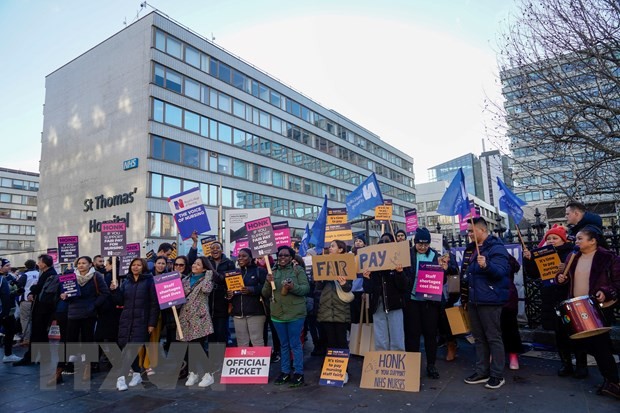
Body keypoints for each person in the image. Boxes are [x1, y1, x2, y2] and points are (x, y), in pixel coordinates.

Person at [556, 225, 620, 400]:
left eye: (579, 238)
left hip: (598, 308)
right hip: (578, 308)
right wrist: (561, 278)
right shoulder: (573, 256)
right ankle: (609, 379)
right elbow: (564, 279)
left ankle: (613, 382)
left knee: (600, 346)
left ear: (593, 241)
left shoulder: (608, 258)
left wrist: (605, 292)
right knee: (588, 345)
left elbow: (617, 283)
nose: (575, 241)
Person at [523, 224, 580, 377]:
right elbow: (534, 274)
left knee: (575, 333)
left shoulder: (572, 252)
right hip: (552, 298)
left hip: (568, 297)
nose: (551, 241)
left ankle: (581, 365)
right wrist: (529, 260)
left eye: (555, 238)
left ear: (563, 239)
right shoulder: (542, 253)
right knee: (560, 334)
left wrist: (566, 268)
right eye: (548, 238)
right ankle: (566, 364)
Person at [462, 217, 511, 390]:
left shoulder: (496, 248)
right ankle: (482, 371)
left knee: (493, 337)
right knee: (479, 338)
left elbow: (501, 272)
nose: (468, 234)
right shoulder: (473, 249)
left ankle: (497, 375)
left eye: (471, 231)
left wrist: (487, 266)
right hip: (475, 300)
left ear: (482, 230)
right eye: (468, 231)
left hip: (490, 300)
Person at [403, 227, 456, 379]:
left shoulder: (435, 256)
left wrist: (444, 270)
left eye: (425, 245)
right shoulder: (408, 255)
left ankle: (431, 365)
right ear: (415, 242)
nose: (422, 247)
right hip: (412, 300)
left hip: (430, 302)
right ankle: (412, 366)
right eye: (420, 244)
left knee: (430, 335)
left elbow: (443, 280)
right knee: (412, 335)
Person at [262, 245, 309, 388]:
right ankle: (285, 372)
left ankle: (299, 373)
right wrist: (267, 281)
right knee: (283, 345)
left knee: (295, 344)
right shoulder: (272, 271)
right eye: (280, 255)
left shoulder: (298, 270)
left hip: (295, 314)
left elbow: (306, 289)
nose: (282, 258)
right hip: (277, 314)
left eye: (285, 255)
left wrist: (292, 287)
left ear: (291, 257)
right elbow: (265, 293)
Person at [110, 258, 159, 391]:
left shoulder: (149, 281)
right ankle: (137, 374)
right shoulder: (126, 282)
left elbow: (154, 304)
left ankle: (121, 377)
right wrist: (114, 291)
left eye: (138, 265)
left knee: (131, 349)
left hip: (142, 320)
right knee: (126, 346)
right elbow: (120, 301)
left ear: (143, 267)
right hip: (126, 319)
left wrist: (151, 323)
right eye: (133, 265)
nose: (135, 267)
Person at [60, 256, 109, 380]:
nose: (81, 265)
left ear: (90, 264)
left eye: (84, 263)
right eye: (79, 263)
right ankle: (61, 368)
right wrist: (64, 296)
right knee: (69, 341)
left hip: (89, 313)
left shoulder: (96, 276)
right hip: (73, 312)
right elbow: (65, 292)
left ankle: (88, 367)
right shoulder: (70, 276)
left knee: (88, 341)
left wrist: (94, 305)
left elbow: (105, 293)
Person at [362, 233, 408, 351]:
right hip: (378, 305)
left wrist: (399, 273)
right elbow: (368, 289)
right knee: (380, 338)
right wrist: (367, 278)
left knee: (397, 337)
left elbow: (403, 287)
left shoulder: (398, 263)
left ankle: (397, 362)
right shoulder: (373, 266)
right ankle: (382, 363)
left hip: (395, 304)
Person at [316, 240, 353, 382]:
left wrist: (344, 283)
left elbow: (349, 288)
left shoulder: (347, 264)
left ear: (341, 250)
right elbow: (317, 287)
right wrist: (320, 279)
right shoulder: (323, 263)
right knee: (330, 342)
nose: (329, 248)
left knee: (341, 342)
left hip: (340, 310)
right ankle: (332, 371)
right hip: (326, 310)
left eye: (332, 246)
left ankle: (344, 371)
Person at [178, 256, 216, 387]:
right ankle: (193, 373)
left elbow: (206, 290)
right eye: (194, 263)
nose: (194, 265)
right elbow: (178, 298)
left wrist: (209, 275)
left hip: (199, 318)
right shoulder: (185, 280)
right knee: (189, 346)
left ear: (204, 268)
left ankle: (208, 374)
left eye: (198, 264)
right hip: (185, 317)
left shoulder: (206, 280)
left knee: (198, 347)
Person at [14, 254, 58, 366]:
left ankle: (33, 357)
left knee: (39, 332)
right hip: (41, 307)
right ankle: (42, 357)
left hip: (43, 308)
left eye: (40, 262)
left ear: (45, 263)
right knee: (40, 333)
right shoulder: (44, 273)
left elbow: (40, 288)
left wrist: (34, 288)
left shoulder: (50, 274)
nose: (38, 264)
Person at [227, 248, 267, 347]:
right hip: (238, 314)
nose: (240, 258)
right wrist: (228, 295)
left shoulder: (260, 271)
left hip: (255, 312)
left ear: (251, 258)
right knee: (241, 343)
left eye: (244, 256)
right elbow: (230, 293)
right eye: (239, 256)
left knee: (256, 341)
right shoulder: (234, 273)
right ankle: (244, 362)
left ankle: (259, 362)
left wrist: (252, 289)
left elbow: (267, 289)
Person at [207, 241, 236, 344]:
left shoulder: (229, 263)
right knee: (210, 334)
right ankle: (212, 358)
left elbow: (232, 282)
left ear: (222, 250)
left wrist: (230, 302)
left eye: (217, 248)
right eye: (212, 248)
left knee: (221, 332)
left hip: (222, 300)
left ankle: (222, 357)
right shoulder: (206, 262)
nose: (215, 250)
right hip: (208, 301)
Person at [501, 254, 523, 371]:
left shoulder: (506, 258)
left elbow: (514, 267)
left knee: (510, 328)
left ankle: (513, 354)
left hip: (507, 298)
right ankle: (494, 354)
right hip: (491, 297)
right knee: (492, 329)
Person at [15, 259, 39, 348]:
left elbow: (18, 286)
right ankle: (34, 338)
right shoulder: (39, 273)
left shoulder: (25, 275)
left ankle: (26, 339)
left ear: (26, 266)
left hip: (26, 299)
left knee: (25, 319)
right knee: (34, 320)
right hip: (37, 299)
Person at [1, 258, 20, 362]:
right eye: (6, 265)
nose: (9, 267)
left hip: (10, 309)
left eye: (9, 265)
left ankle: (8, 354)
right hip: (1, 309)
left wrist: (18, 291)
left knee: (11, 330)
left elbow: (16, 289)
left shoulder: (10, 277)